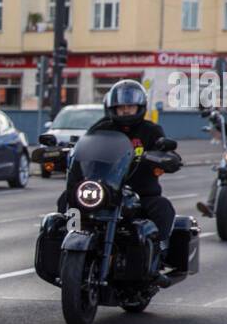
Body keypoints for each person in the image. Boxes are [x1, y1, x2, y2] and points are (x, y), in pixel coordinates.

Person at [59, 80, 177, 266]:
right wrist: (65, 154)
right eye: (121, 107)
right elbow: (86, 148)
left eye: (129, 106)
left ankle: (159, 253)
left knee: (162, 208)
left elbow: (164, 149)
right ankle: (66, 243)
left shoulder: (150, 130)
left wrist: (165, 156)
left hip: (140, 193)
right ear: (112, 107)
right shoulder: (101, 127)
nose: (125, 110)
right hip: (106, 189)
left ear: (139, 107)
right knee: (68, 198)